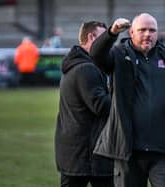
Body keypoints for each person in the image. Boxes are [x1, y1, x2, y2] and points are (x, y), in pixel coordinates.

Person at [90, 13, 165, 187]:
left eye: (152, 30)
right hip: (129, 152)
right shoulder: (119, 55)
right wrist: (111, 33)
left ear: (157, 33)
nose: (148, 34)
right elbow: (95, 54)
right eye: (142, 30)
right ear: (131, 32)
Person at [55, 21, 114, 187]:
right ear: (91, 37)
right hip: (88, 155)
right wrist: (122, 94)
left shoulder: (74, 65)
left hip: (74, 153)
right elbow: (102, 106)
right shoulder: (86, 69)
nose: (108, 44)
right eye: (104, 39)